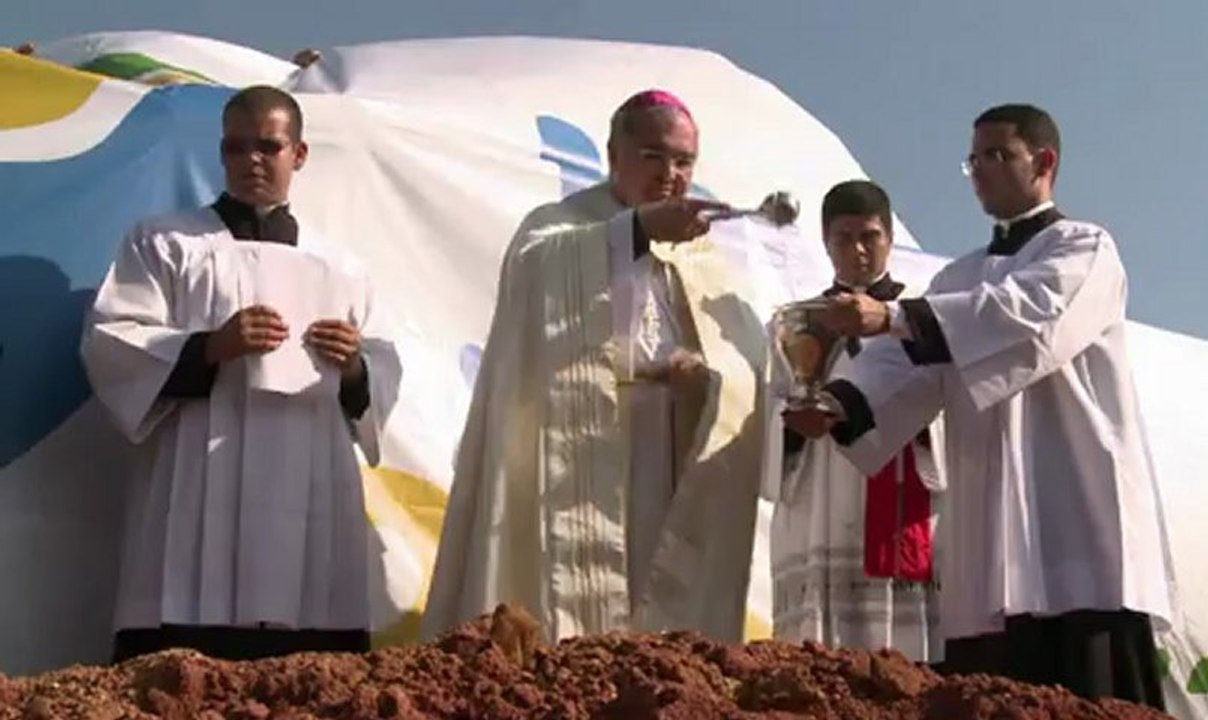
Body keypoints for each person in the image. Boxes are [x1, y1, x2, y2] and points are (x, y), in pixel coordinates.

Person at [788, 103, 1175, 709]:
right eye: (973, 159)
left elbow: (1026, 318)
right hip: (992, 530)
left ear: (1044, 162)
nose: (980, 171)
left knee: (1093, 690)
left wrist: (892, 316)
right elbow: (910, 364)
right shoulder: (956, 278)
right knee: (994, 689)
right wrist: (837, 403)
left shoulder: (1084, 249)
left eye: (997, 155)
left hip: (1076, 512)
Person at [422, 89, 768, 643]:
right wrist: (636, 232)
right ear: (614, 154)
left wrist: (705, 378)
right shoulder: (558, 226)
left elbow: (744, 360)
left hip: (668, 443)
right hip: (582, 439)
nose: (670, 174)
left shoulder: (702, 252)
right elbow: (537, 279)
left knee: (656, 600)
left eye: (684, 161)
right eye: (653, 155)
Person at [82, 86, 401, 663]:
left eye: (268, 146)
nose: (252, 159)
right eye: (236, 147)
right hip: (201, 465)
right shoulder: (166, 243)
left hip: (310, 469)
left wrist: (355, 365)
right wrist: (209, 346)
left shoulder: (340, 266)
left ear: (298, 154)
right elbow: (112, 341)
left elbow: (383, 365)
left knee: (310, 657)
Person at [766, 180, 943, 660]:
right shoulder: (799, 322)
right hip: (822, 485)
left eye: (870, 236)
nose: (858, 250)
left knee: (902, 654)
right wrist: (791, 428)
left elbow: (942, 397)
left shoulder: (923, 318)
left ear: (889, 237)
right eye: (844, 238)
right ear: (826, 243)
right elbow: (775, 401)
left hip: (901, 480)